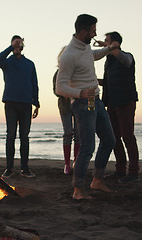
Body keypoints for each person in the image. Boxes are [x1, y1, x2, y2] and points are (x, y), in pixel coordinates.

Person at [56, 14, 119, 200]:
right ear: (83, 31)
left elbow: (92, 56)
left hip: (96, 101)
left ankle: (97, 180)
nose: (95, 34)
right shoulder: (68, 55)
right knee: (87, 147)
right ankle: (78, 189)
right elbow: (60, 87)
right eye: (92, 31)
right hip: (83, 104)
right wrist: (80, 93)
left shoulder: (85, 48)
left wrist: (109, 48)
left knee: (109, 140)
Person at [96, 32, 140, 183]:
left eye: (107, 41)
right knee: (114, 138)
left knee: (128, 137)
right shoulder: (108, 61)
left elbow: (126, 61)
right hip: (112, 103)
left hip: (126, 101)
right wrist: (95, 81)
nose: (104, 43)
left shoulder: (126, 56)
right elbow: (108, 81)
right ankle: (120, 169)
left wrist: (107, 47)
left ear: (115, 43)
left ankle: (133, 172)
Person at [0, 35, 40, 178]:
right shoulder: (7, 62)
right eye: (15, 44)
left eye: (19, 43)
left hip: (26, 104)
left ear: (23, 45)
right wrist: (11, 47)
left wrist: (36, 103)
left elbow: (34, 84)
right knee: (11, 135)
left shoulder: (30, 64)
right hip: (10, 102)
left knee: (24, 137)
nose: (17, 46)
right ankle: (9, 168)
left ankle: (25, 168)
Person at [53, 46, 80, 175]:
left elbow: (87, 87)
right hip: (65, 106)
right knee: (68, 133)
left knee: (79, 134)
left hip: (79, 105)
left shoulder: (78, 71)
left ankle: (76, 161)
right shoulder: (58, 73)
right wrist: (68, 93)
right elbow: (56, 90)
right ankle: (67, 164)